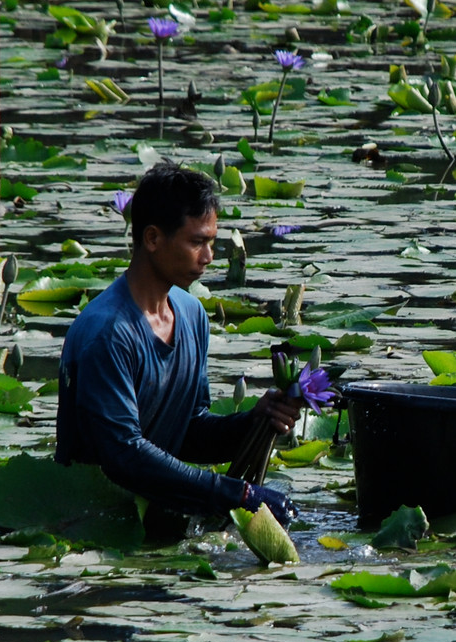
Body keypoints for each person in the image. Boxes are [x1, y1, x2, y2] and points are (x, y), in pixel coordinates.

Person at [54, 160, 300, 535]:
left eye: (212, 242)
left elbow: (189, 431)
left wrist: (253, 423)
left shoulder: (192, 315)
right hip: (92, 526)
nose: (209, 256)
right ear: (152, 239)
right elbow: (124, 456)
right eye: (197, 242)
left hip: (156, 514)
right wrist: (235, 493)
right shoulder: (108, 333)